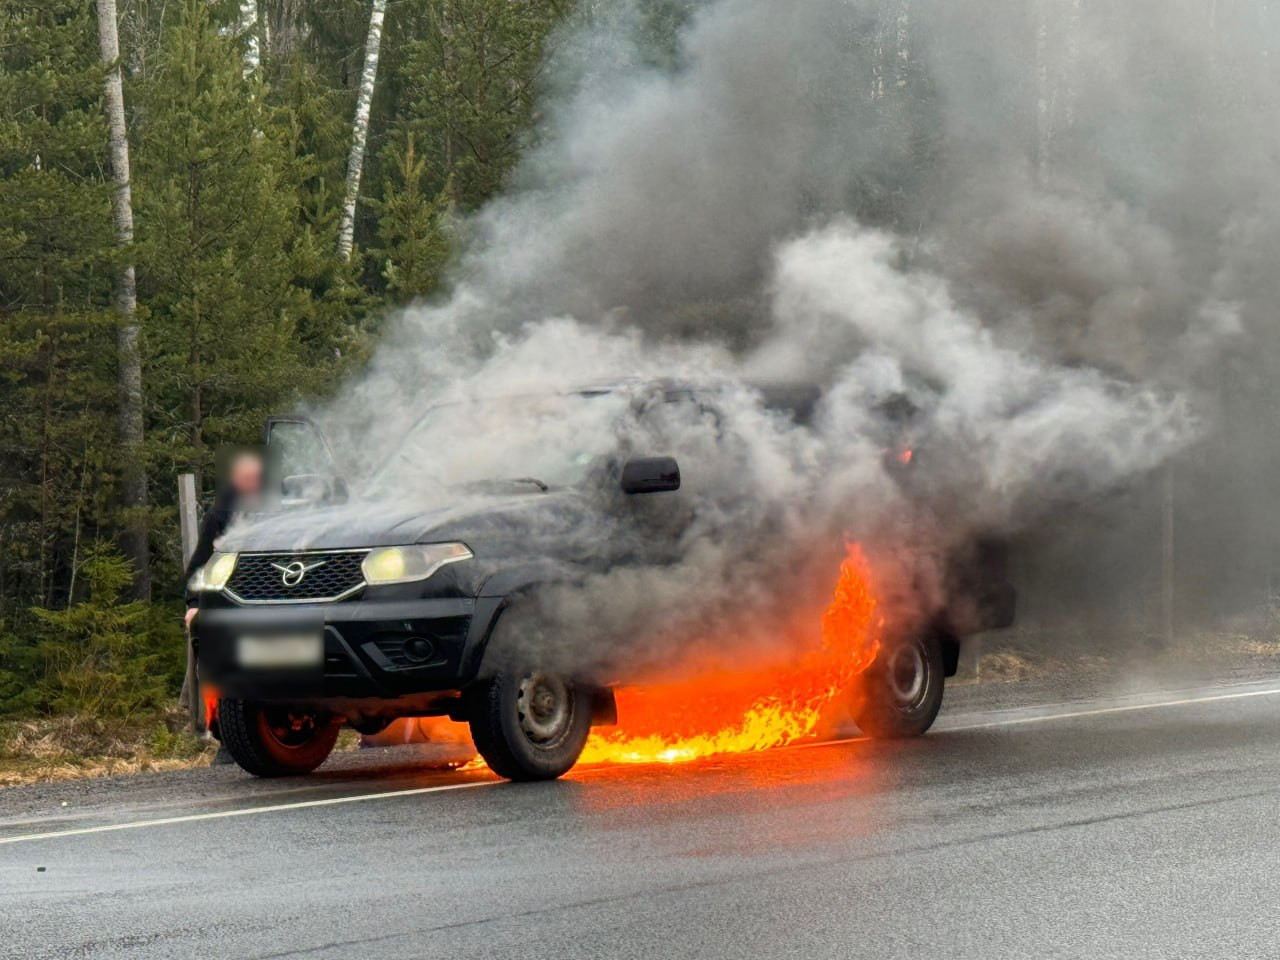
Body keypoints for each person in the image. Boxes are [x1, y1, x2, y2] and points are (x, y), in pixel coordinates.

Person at [183, 451, 263, 761]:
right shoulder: (221, 515)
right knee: (218, 663)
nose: (251, 485)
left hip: (273, 603)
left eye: (256, 479)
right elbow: (198, 567)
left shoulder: (284, 510)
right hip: (230, 604)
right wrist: (193, 603)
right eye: (246, 479)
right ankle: (226, 739)